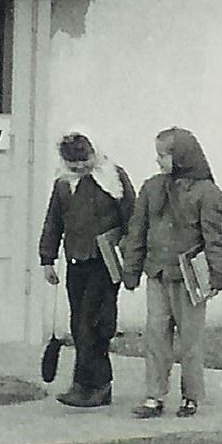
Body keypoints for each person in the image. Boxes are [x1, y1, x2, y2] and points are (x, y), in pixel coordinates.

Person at [119, 127, 222, 418]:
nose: (158, 161)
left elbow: (216, 238)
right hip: (157, 273)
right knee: (156, 335)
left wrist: (217, 275)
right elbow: (137, 231)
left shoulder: (208, 193)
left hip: (189, 278)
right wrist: (131, 269)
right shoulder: (151, 188)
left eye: (163, 155)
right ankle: (154, 396)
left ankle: (191, 396)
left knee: (190, 339)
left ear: (181, 157)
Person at [37, 130, 135, 408]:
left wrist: (130, 254)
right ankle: (86, 383)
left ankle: (97, 384)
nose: (80, 167)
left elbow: (132, 216)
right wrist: (47, 259)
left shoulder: (113, 177)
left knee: (95, 323)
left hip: (105, 262)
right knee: (78, 323)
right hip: (76, 261)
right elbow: (53, 221)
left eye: (84, 160)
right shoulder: (63, 184)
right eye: (74, 163)